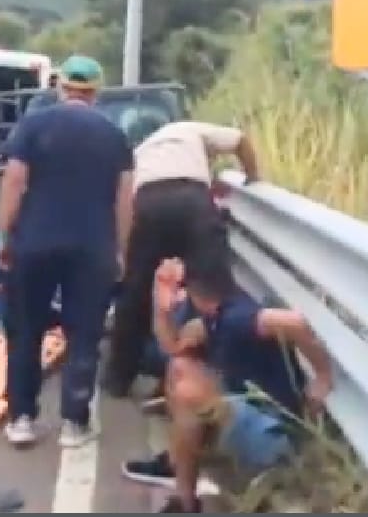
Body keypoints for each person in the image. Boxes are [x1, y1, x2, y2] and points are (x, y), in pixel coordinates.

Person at [121, 255, 334, 513]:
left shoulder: (236, 319)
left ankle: (182, 485)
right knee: (180, 367)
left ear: (194, 294)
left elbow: (294, 322)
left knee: (189, 393)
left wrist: (323, 376)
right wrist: (161, 307)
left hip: (275, 434)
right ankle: (182, 488)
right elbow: (173, 346)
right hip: (249, 414)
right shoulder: (215, 318)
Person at [0, 55, 134, 448]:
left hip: (34, 242)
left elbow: (15, 181)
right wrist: (122, 250)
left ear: (61, 87)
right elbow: (124, 200)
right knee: (84, 333)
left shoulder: (33, 125)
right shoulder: (114, 135)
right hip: (92, 246)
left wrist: (4, 235)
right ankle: (74, 423)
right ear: (96, 91)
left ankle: (22, 419)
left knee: (26, 330)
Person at [104, 120, 261, 398]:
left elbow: (124, 194)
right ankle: (224, 379)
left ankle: (118, 379)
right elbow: (239, 140)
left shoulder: (141, 151)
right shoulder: (190, 130)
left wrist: (127, 251)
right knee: (212, 291)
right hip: (192, 201)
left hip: (147, 203)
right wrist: (253, 178)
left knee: (135, 294)